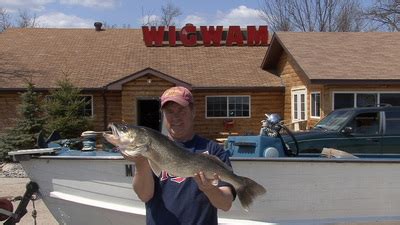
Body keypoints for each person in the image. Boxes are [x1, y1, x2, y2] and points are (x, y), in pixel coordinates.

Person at [121, 86, 235, 225]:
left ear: (193, 112)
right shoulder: (152, 148)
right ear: (163, 115)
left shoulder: (212, 150)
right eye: (169, 111)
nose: (176, 116)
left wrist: (209, 189)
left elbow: (226, 204)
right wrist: (140, 162)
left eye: (181, 110)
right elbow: (145, 195)